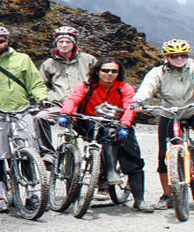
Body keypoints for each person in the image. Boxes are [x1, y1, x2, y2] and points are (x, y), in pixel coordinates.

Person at [131, 39, 194, 211]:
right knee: (163, 155)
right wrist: (138, 100)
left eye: (183, 55)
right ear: (167, 57)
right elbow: (147, 87)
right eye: (174, 56)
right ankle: (167, 195)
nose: (179, 58)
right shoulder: (158, 72)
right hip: (170, 112)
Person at [0, 26, 50, 211]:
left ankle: (32, 194)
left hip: (21, 111)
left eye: (1, 41)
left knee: (28, 152)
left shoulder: (22, 59)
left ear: (8, 41)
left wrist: (42, 99)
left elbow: (35, 82)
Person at [59, 57, 153, 212]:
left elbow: (129, 106)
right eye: (105, 70)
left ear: (119, 73)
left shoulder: (124, 87)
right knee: (108, 134)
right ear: (97, 71)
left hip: (118, 124)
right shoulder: (87, 86)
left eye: (114, 71)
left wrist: (125, 125)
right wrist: (65, 113)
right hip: (89, 123)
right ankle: (108, 172)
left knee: (132, 156)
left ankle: (139, 200)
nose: (109, 74)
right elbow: (72, 99)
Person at [36, 26, 98, 158]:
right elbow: (41, 85)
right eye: (61, 42)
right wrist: (50, 98)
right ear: (56, 44)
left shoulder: (89, 60)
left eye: (68, 42)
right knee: (40, 117)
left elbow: (100, 81)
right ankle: (48, 153)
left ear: (74, 43)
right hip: (61, 105)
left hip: (86, 105)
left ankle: (100, 164)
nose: (64, 45)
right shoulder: (48, 64)